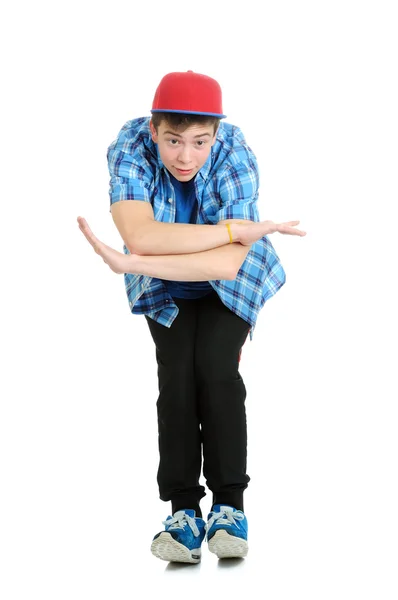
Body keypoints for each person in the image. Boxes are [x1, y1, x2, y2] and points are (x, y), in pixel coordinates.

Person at [77, 70, 306, 563]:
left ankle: (230, 507)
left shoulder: (235, 150)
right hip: (165, 289)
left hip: (234, 282)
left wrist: (136, 259)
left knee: (216, 371)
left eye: (200, 142)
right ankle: (183, 513)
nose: (186, 156)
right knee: (177, 378)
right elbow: (141, 233)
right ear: (154, 130)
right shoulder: (129, 145)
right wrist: (229, 230)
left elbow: (227, 263)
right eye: (174, 140)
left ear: (217, 135)